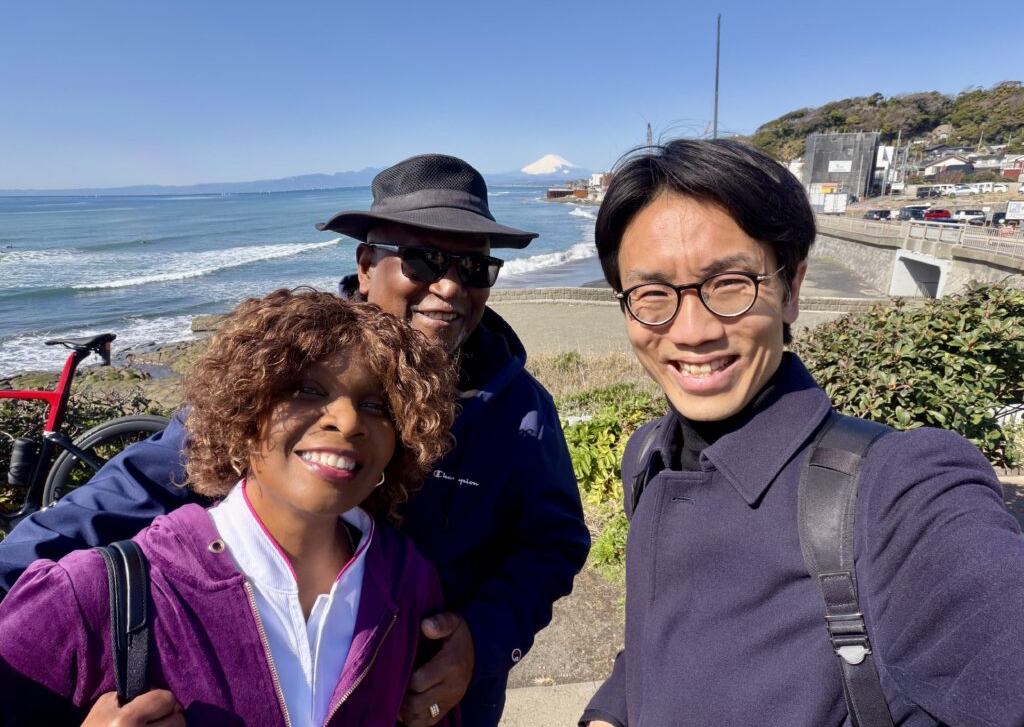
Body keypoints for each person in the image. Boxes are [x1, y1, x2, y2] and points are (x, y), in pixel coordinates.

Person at [0, 154, 590, 727]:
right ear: (366, 265)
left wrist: (480, 642)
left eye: (473, 268)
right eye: (423, 259)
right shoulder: (283, 378)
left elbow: (553, 543)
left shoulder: (518, 409)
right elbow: (129, 494)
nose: (450, 287)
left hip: (433, 701)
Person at [579, 139, 1024, 726]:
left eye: (730, 283)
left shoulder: (897, 490)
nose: (691, 331)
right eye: (652, 294)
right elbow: (657, 640)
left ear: (791, 288)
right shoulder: (647, 455)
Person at [1, 289, 459, 726]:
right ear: (243, 416)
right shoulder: (89, 594)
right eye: (307, 391)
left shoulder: (407, 583)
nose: (348, 420)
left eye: (376, 404)